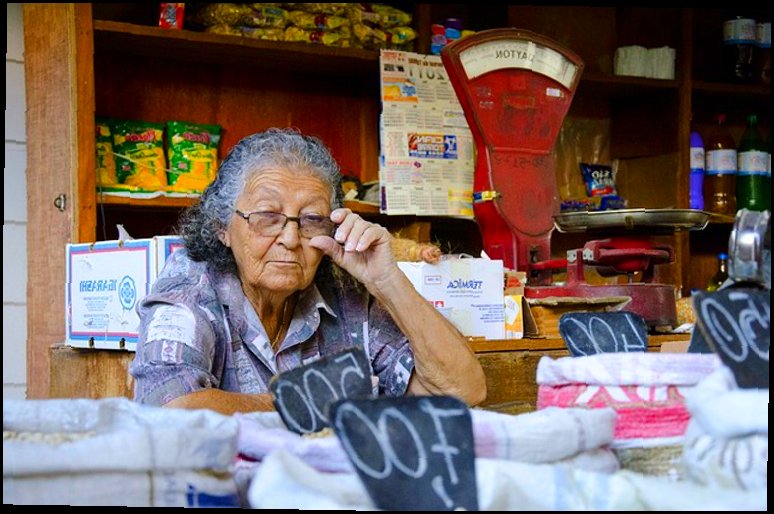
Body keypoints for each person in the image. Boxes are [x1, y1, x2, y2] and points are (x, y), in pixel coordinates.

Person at [130, 128, 487, 415]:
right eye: (267, 217)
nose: (290, 238)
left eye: (312, 220)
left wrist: (387, 282)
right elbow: (169, 410)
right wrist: (318, 404)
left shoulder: (346, 295)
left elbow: (463, 390)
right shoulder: (189, 287)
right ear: (222, 227)